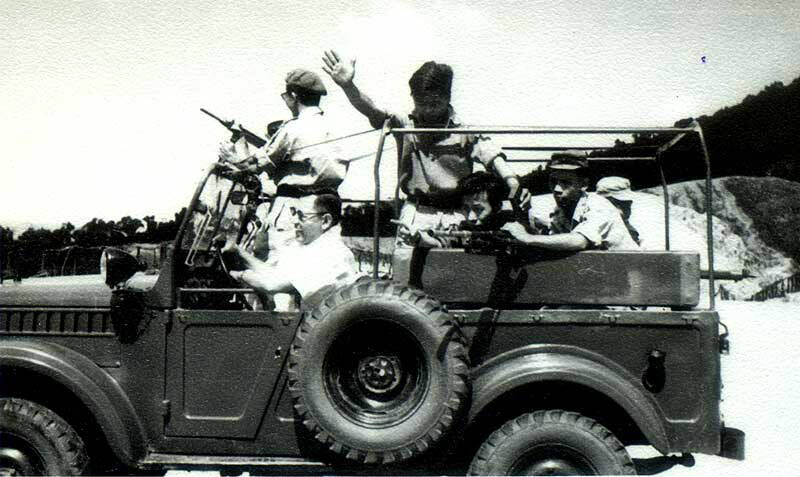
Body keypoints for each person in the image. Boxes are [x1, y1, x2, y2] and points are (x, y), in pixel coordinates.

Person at [321, 51, 520, 248]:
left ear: (448, 98)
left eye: (434, 103)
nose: (427, 110)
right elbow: (372, 109)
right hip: (416, 213)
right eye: (421, 103)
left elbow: (491, 155)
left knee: (456, 263)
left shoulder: (464, 131)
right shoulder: (404, 123)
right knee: (406, 262)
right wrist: (348, 86)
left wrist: (511, 180)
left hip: (458, 214)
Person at [224, 192, 359, 309]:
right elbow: (272, 273)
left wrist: (237, 275)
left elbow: (271, 284)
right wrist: (238, 251)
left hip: (322, 325)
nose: (294, 221)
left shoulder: (330, 252)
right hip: (315, 321)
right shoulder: (313, 248)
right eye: (294, 213)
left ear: (325, 221)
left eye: (301, 216)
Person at [501, 151, 640, 251]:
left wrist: (526, 237)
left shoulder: (598, 205)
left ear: (583, 185)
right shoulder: (560, 211)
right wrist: (523, 218)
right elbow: (555, 243)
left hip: (630, 273)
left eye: (566, 183)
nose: (557, 189)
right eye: (553, 181)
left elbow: (579, 241)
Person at [596, 176, 641, 245]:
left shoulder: (628, 227)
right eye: (616, 204)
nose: (622, 212)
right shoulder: (596, 222)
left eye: (626, 204)